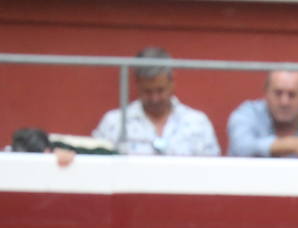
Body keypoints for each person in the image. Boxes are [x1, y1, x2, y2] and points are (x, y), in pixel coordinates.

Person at [90, 47, 218, 156]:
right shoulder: (114, 123)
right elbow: (95, 164)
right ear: (137, 84)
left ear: (172, 82)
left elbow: (213, 170)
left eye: (160, 90)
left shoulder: (197, 123)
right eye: (147, 91)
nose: (154, 99)